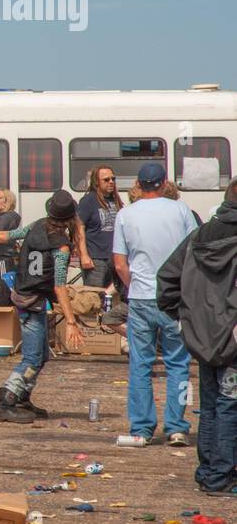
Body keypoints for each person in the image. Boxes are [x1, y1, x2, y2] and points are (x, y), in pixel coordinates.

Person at [0, 190, 85, 423]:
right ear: (69, 218)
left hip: (25, 295)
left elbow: (6, 236)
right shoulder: (61, 246)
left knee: (42, 354)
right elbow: (60, 285)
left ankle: (23, 396)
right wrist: (72, 322)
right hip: (31, 302)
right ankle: (7, 398)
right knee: (33, 357)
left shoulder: (37, 226)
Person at [158, 180, 237, 493]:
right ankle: (221, 476)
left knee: (211, 405)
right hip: (232, 337)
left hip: (202, 335)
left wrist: (183, 317)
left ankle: (208, 472)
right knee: (229, 406)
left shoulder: (198, 236)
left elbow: (166, 278)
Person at [112, 163, 198, 446]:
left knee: (140, 363)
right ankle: (177, 426)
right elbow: (194, 253)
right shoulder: (180, 210)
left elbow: (120, 262)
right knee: (179, 364)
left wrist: (132, 285)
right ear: (163, 183)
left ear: (139, 184)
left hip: (140, 297)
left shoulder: (125, 214)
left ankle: (141, 428)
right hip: (174, 298)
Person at [78, 165, 124, 291]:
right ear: (96, 182)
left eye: (113, 179)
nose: (111, 182)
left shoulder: (117, 200)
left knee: (114, 297)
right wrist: (84, 255)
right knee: (94, 296)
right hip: (96, 259)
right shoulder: (88, 201)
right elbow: (79, 228)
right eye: (106, 179)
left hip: (115, 258)